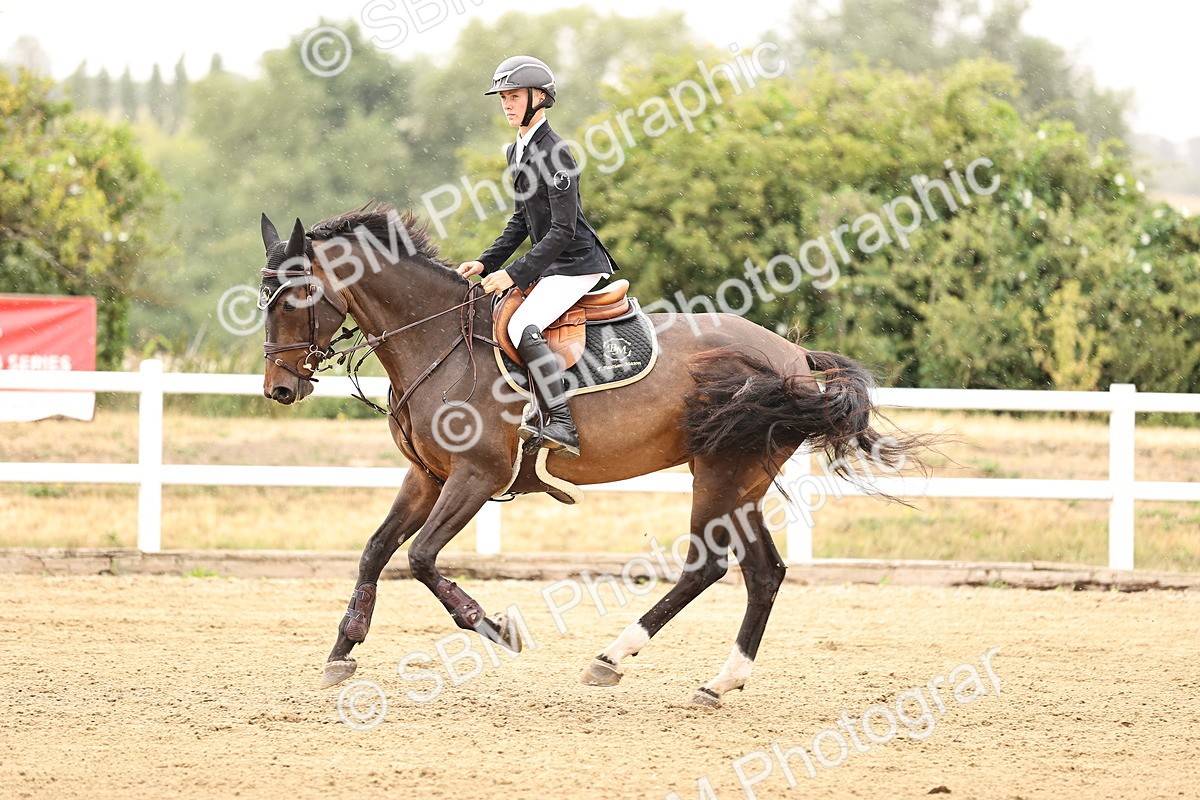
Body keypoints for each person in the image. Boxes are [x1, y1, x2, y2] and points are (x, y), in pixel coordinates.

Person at [457, 55, 620, 460]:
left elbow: (562, 231)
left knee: (521, 325)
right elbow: (521, 220)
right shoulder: (517, 151)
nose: (506, 104)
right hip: (552, 263)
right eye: (503, 98)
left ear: (540, 98)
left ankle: (561, 420)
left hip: (577, 263)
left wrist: (514, 274)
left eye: (513, 96)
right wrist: (486, 262)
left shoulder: (558, 152)